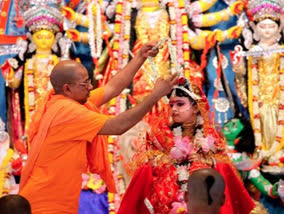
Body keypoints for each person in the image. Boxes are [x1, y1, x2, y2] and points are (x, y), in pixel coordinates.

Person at [18, 42, 178, 214]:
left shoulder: (63, 100)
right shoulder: (67, 112)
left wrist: (140, 57)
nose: (90, 87)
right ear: (67, 88)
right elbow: (118, 126)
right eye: (85, 84)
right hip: (46, 203)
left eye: (89, 81)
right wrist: (155, 96)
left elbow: (111, 88)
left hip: (53, 199)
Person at [118, 76, 256, 214]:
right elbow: (147, 161)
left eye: (180, 104)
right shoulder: (162, 133)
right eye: (171, 105)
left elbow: (224, 162)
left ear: (195, 107)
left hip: (202, 193)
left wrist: (204, 160)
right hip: (168, 193)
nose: (174, 109)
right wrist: (169, 159)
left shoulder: (210, 134)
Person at [231, 0, 284, 169]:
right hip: (259, 99)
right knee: (262, 128)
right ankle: (262, 154)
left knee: (280, 128)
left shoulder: (283, 48)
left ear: (278, 28)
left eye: (271, 27)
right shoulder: (251, 51)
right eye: (263, 27)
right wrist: (237, 65)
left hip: (280, 98)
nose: (267, 31)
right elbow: (241, 75)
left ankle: (280, 154)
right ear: (255, 29)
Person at [1, 5, 64, 145]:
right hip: (32, 109)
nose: (43, 41)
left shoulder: (59, 63)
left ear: (55, 38)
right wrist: (9, 76)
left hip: (54, 111)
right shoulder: (28, 63)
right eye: (39, 37)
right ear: (31, 38)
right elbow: (15, 83)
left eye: (48, 37)